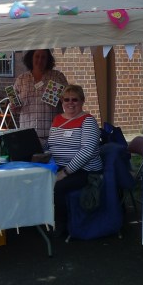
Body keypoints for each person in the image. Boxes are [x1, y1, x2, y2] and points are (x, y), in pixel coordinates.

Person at [47, 85, 103, 234]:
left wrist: (64, 172)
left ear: (82, 101)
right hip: (59, 166)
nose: (70, 103)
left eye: (75, 100)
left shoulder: (88, 121)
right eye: (67, 99)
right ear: (62, 101)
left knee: (56, 186)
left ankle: (61, 225)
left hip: (85, 171)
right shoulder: (58, 119)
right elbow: (51, 144)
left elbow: (87, 151)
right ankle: (41, 220)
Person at [12, 49, 68, 146]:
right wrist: (13, 107)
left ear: (48, 59)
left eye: (43, 57)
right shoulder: (21, 79)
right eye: (37, 56)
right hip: (27, 135)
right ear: (31, 58)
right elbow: (13, 105)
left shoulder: (57, 76)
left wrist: (63, 98)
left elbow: (69, 100)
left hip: (52, 135)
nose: (40, 60)